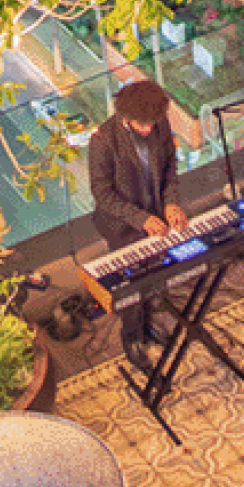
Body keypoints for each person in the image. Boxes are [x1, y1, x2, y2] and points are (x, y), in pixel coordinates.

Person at [88, 78, 188, 373]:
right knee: (131, 286)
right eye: (142, 125)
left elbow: (170, 167)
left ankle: (150, 325)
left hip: (156, 213)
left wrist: (170, 202)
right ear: (127, 117)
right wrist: (140, 219)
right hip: (123, 224)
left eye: (152, 124)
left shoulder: (159, 125)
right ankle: (131, 337)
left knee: (156, 276)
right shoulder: (103, 140)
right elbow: (102, 193)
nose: (148, 130)